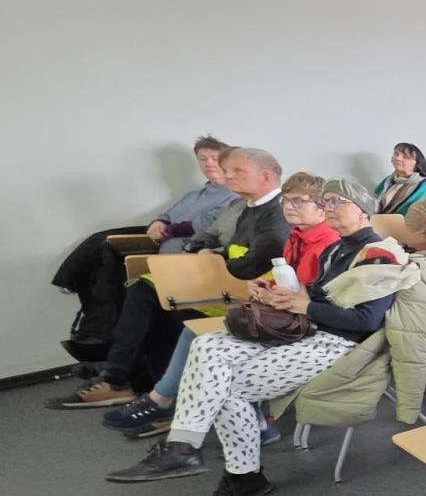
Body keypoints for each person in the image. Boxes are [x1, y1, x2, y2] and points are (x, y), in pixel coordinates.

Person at [105, 178, 426, 496]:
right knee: (208, 345)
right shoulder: (337, 249)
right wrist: (279, 294)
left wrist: (303, 306)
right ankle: (183, 445)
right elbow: (318, 295)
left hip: (340, 345)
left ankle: (240, 476)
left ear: (363, 210)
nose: (328, 208)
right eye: (325, 202)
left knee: (228, 387)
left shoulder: (379, 254)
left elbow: (365, 320)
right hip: (312, 332)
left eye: (337, 202)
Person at [99, 171, 337, 439]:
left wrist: (276, 295)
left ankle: (166, 406)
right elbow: (288, 280)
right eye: (287, 200)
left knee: (211, 345)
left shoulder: (327, 242)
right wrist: (266, 286)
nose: (289, 207)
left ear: (322, 208)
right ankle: (179, 408)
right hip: (285, 312)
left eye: (299, 201)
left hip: (308, 326)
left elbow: (312, 295)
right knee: (193, 331)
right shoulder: (296, 235)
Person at [49, 148, 290, 410]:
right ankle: (139, 385)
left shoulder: (276, 214)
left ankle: (125, 382)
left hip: (245, 293)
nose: (228, 175)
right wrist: (206, 252)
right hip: (223, 278)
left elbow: (250, 266)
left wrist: (208, 259)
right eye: (228, 170)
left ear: (266, 176)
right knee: (143, 288)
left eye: (237, 171)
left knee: (151, 295)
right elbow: (225, 245)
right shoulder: (247, 206)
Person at [53, 135, 239, 357]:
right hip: (163, 238)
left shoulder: (234, 195)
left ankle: (89, 316)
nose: (208, 163)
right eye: (203, 158)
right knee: (105, 252)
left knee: (106, 248)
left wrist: (168, 229)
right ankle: (96, 330)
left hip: (184, 246)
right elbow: (167, 214)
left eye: (214, 158)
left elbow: (208, 224)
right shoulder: (194, 195)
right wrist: (158, 222)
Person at [373, 142, 426, 216]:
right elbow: (374, 200)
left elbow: (423, 215)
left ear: (417, 163)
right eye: (396, 154)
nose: (398, 158)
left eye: (405, 157)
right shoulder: (388, 180)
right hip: (378, 220)